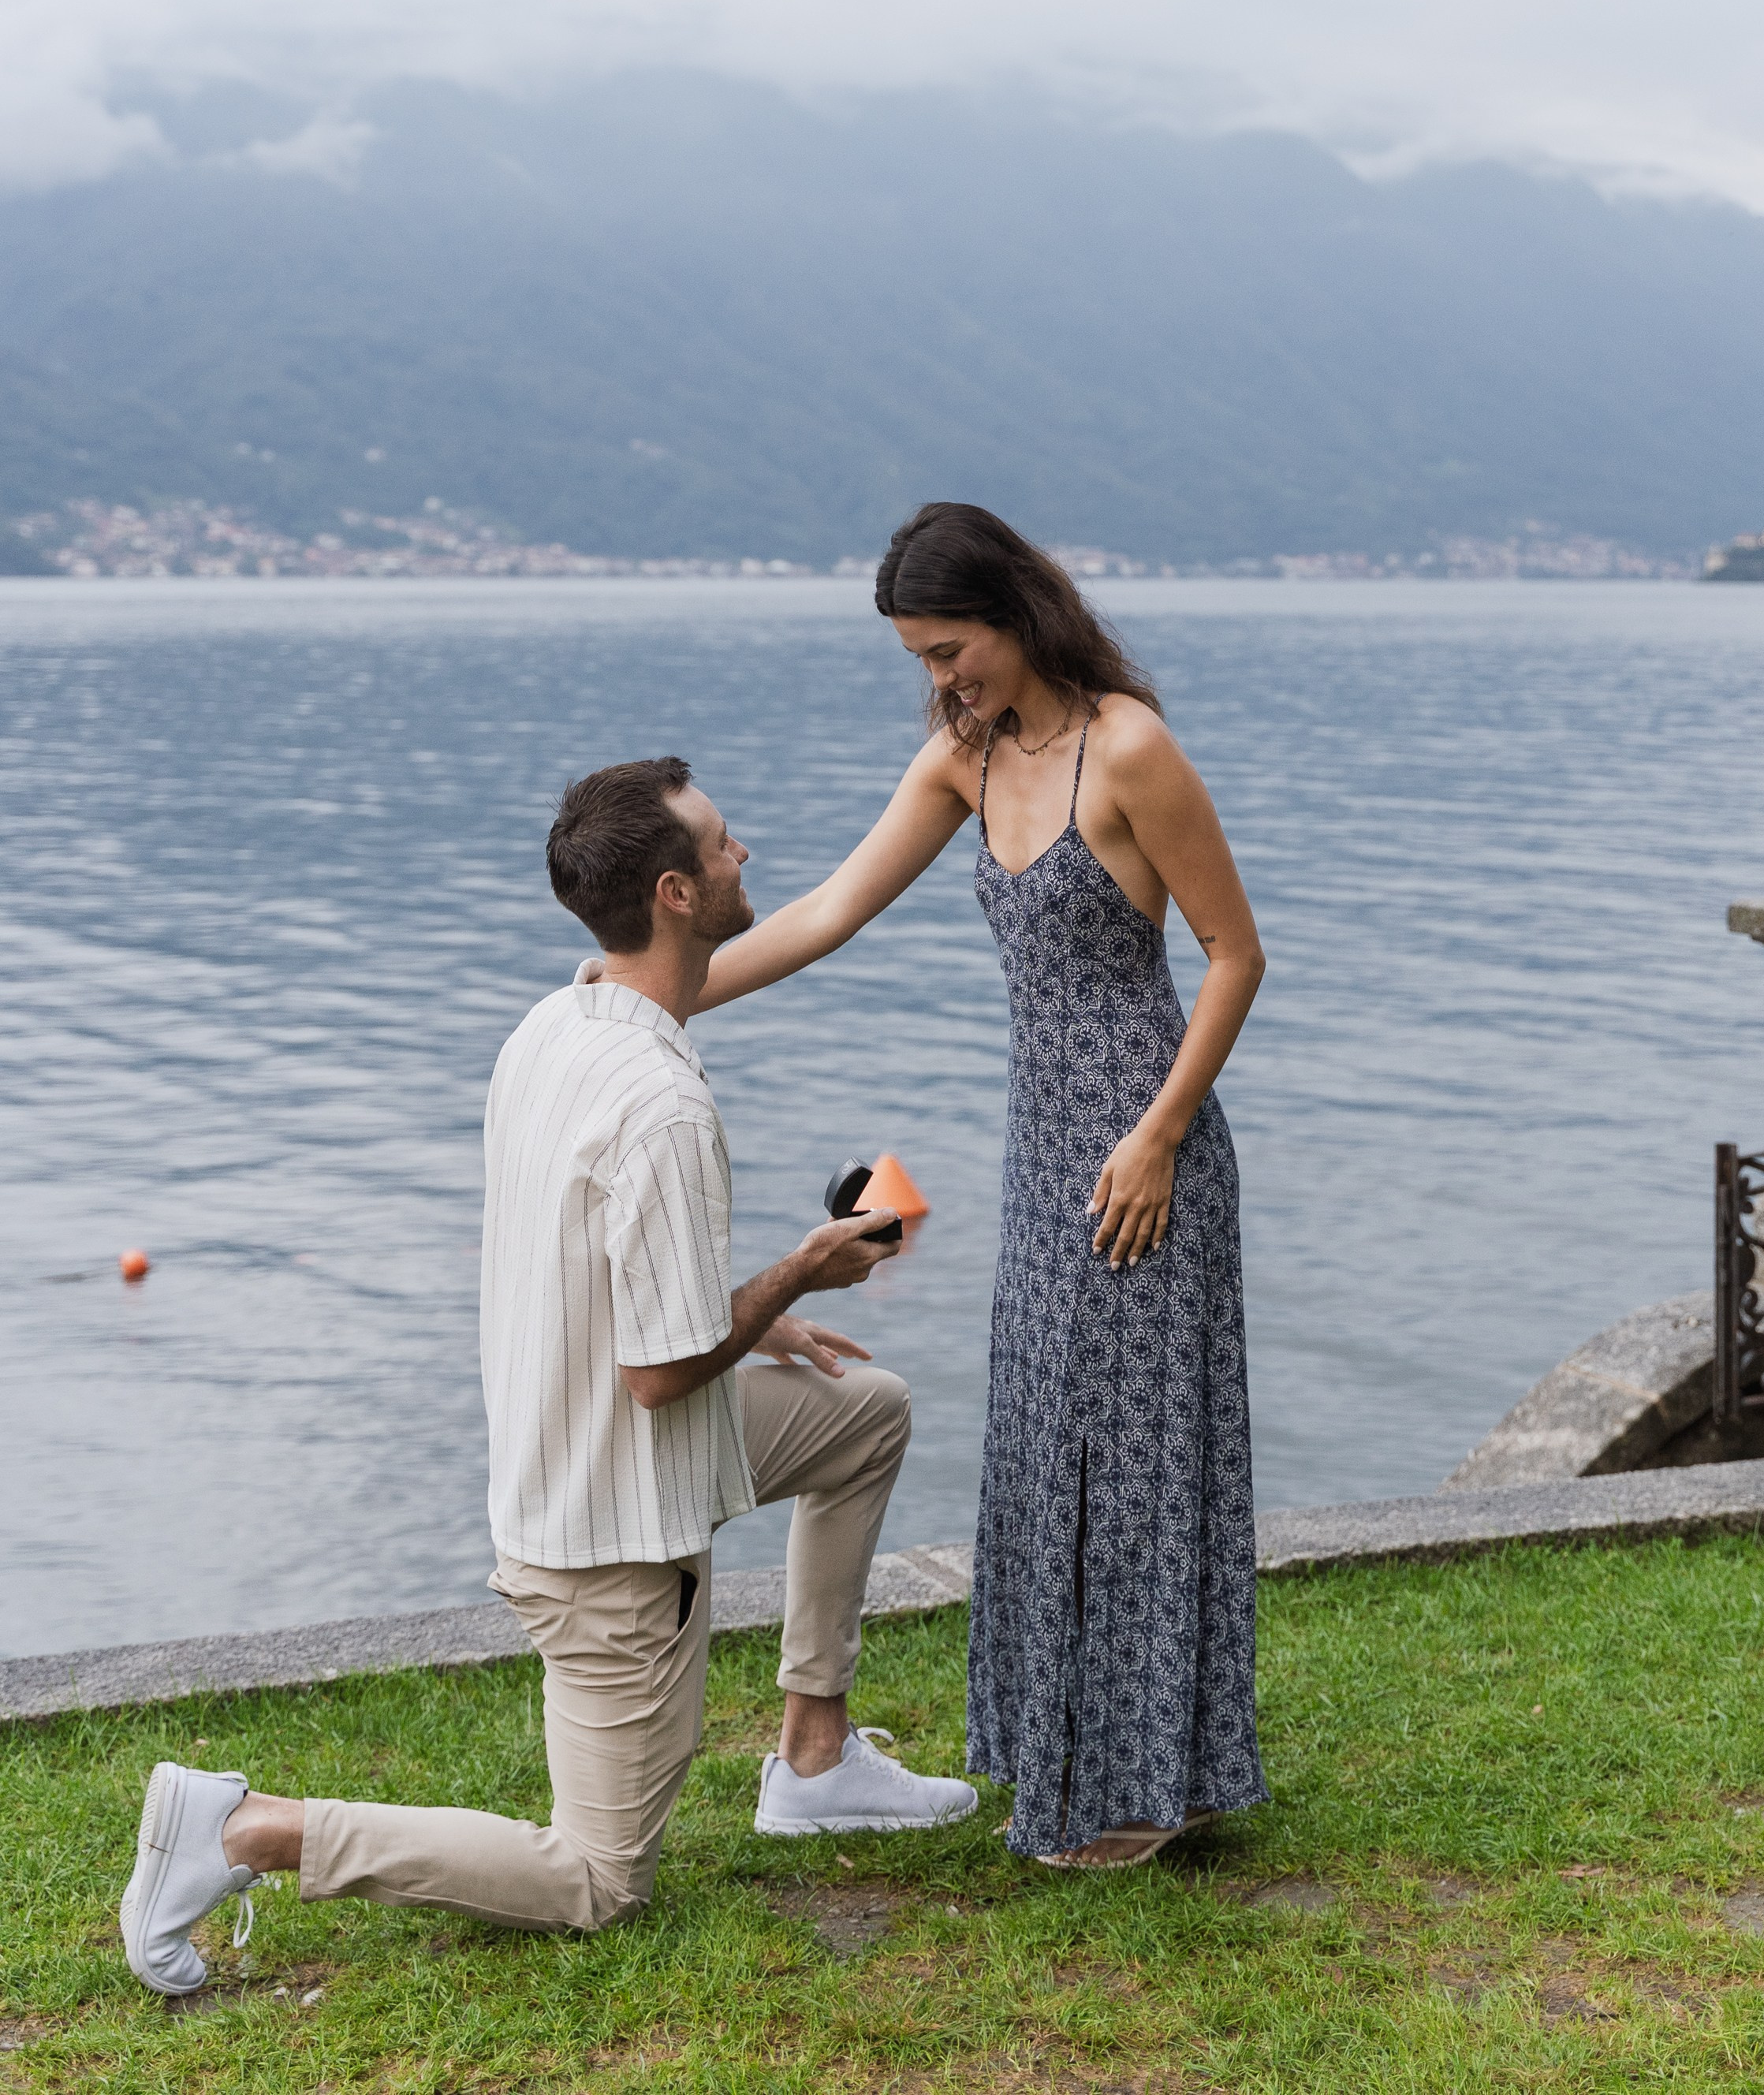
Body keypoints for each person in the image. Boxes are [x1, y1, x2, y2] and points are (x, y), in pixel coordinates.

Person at [120, 756, 975, 1997]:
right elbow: (660, 1372)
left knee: (865, 1416)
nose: (746, 853)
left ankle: (814, 1756)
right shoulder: (664, 1106)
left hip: (577, 1458)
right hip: (611, 1539)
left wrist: (743, 1316)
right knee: (598, 1877)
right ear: (676, 892)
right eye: (724, 843)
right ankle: (250, 1827)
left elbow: (610, 1273)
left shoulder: (558, 1022)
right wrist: (795, 1275)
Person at [697, 503, 1270, 1866]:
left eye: (950, 648)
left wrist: (1159, 1134)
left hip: (1145, 1158)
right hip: (1043, 1156)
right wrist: (650, 996)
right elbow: (829, 909)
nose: (939, 677)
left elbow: (1235, 954)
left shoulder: (1128, 748)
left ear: (1015, 612)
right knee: (1044, 1448)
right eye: (921, 657)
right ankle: (1084, 1766)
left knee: (1141, 1462)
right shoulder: (966, 756)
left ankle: (1150, 1786)